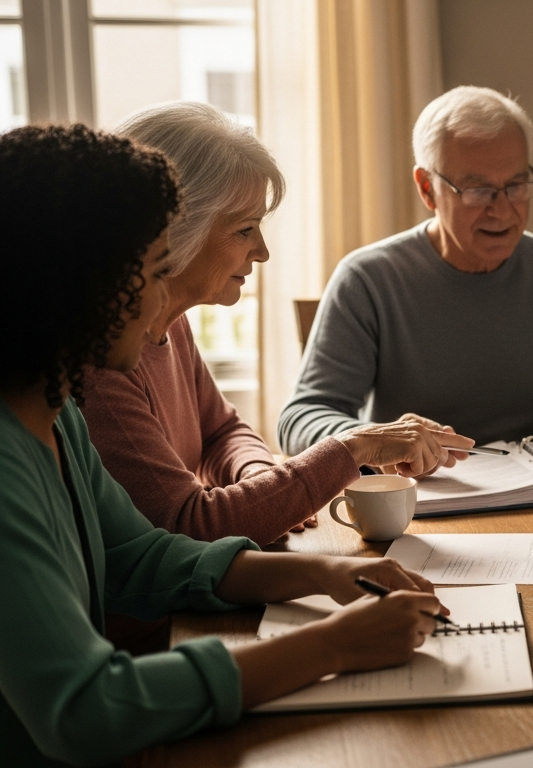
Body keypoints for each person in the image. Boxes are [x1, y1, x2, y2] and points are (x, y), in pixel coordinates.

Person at [0, 123, 452, 766]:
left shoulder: (58, 412)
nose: (164, 300)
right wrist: (332, 646)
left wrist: (324, 571)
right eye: (156, 272)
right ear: (80, 286)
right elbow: (86, 709)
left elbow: (139, 556)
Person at [79, 102, 475, 548]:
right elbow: (188, 524)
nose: (262, 251)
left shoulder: (172, 323)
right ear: (175, 230)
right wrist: (355, 447)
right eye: (245, 229)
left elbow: (221, 431)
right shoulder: (103, 363)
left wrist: (264, 483)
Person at [278, 86, 533, 453]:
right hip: (418, 513)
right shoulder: (368, 279)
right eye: (478, 189)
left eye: (516, 185)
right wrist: (377, 440)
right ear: (428, 188)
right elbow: (302, 419)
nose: (502, 209)